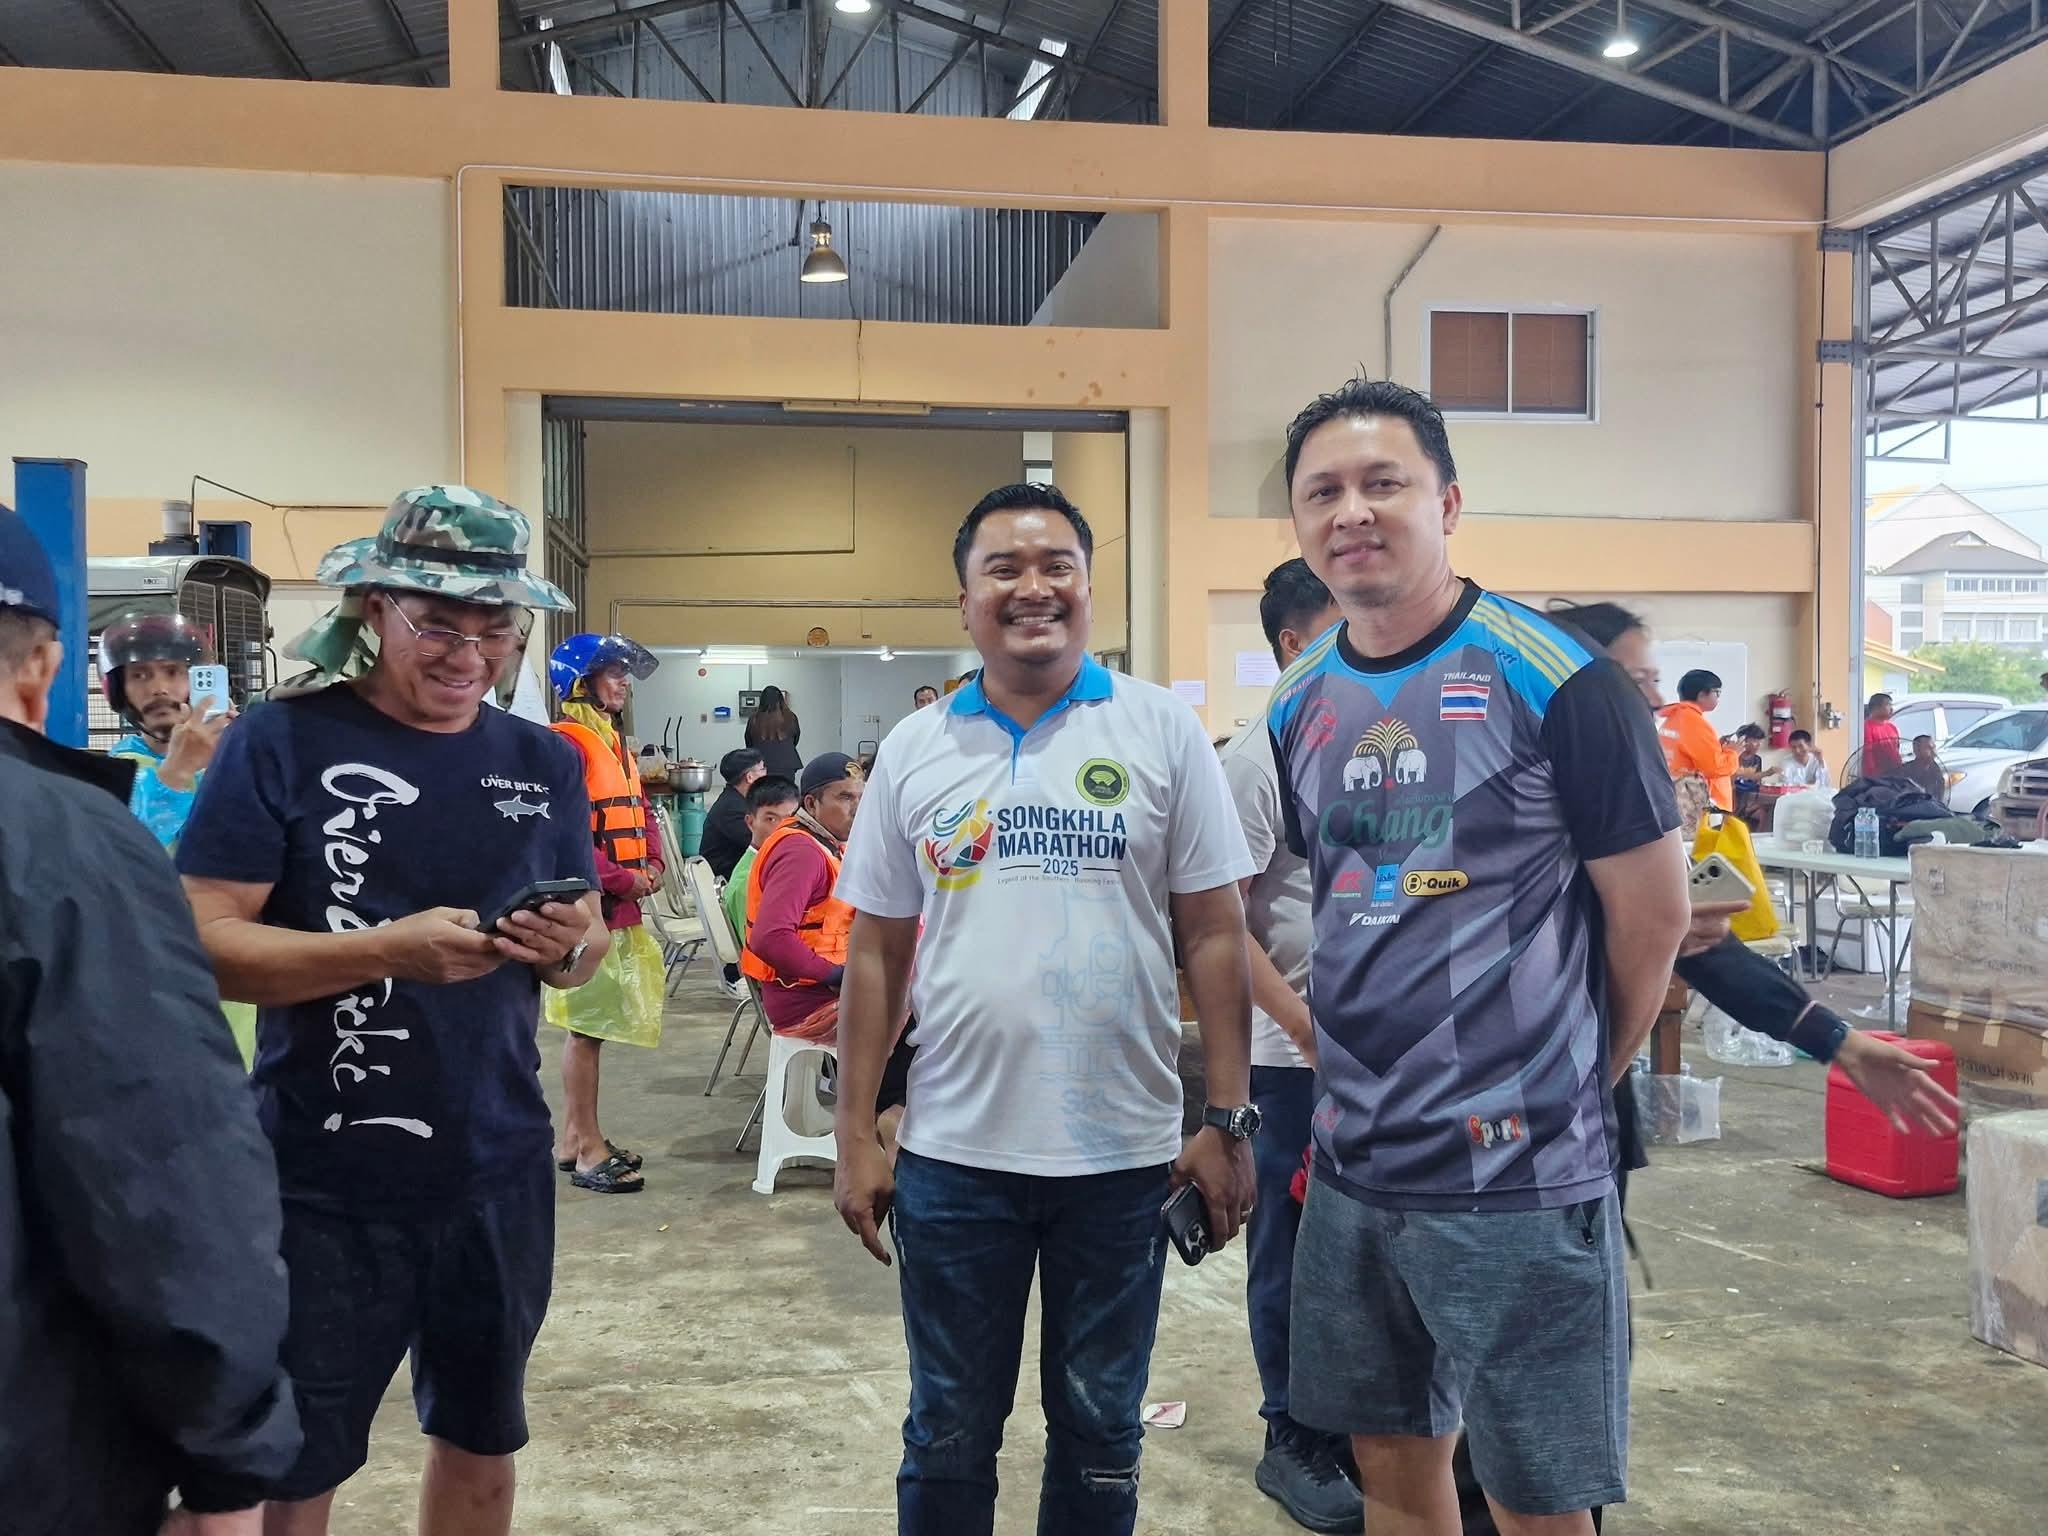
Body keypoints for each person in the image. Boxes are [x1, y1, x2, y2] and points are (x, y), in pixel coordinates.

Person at [1269, 380, 1691, 1535]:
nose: (1352, 511)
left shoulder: (1556, 679)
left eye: (1383, 483)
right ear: (1298, 523)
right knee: (1390, 1469)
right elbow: (1345, 900)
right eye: (1322, 492)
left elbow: (1651, 919)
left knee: (1536, 1497)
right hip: (1353, 1168)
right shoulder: (1297, 700)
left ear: (1446, 502)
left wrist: (1571, 1083)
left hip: (1515, 1178)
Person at [175, 486, 610, 1536]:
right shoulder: (282, 741)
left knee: (482, 1442)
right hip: (323, 1180)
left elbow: (586, 941)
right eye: (440, 627)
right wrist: (382, 952)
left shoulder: (542, 761)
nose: (469, 656)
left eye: (495, 631)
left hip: (495, 1166)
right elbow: (200, 939)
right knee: (298, 1462)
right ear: (376, 608)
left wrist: (565, 949)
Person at [830, 482, 1259, 1536]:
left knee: (1101, 1430)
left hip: (1120, 1159)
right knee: (946, 1429)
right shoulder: (916, 749)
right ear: (963, 600)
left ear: (1088, 586)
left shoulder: (1159, 730)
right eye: (1004, 568)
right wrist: (852, 1135)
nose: (1034, 587)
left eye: (1057, 564)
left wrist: (1225, 1119)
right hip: (952, 1158)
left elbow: (1213, 934)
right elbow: (876, 950)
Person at [0, 506, 300, 1536]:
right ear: (52, 672)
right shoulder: (72, 821)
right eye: (144, 678)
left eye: (176, 673)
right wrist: (230, 1454)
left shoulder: (247, 758)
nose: (164, 693)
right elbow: (150, 1167)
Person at [1218, 558, 1359, 1533]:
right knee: (1291, 1254)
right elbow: (1218, 927)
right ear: (1292, 644)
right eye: (1344, 631)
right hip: (1290, 1060)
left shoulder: (1384, 741)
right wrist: (1306, 1030)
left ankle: (1365, 1427)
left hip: (1386, 1060)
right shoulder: (1257, 757)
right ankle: (1293, 1437)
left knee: (1370, 1256)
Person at [547, 631, 667, 1195]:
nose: (623, 682)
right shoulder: (566, 745)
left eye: (624, 673)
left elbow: (639, 809)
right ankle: (589, 1149)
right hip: (588, 909)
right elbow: (566, 835)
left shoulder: (612, 742)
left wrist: (653, 862)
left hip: (618, 905)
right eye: (612, 672)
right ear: (580, 683)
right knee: (586, 1029)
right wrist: (624, 878)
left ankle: (573, 1139)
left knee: (592, 1028)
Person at [101, 610, 233, 849]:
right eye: (139, 675)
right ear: (119, 691)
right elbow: (123, 851)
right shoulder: (118, 771)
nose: (159, 688)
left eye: (172, 672)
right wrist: (179, 769)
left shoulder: (233, 753)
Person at [721, 772, 799, 947]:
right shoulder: (748, 883)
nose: (782, 829)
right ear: (750, 822)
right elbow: (758, 949)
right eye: (771, 819)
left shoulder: (778, 865)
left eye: (791, 820)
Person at [1657, 668, 1743, 812]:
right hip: (1699, 804)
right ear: (1702, 694)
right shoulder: (1694, 723)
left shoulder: (1673, 718)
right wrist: (1733, 752)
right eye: (1717, 692)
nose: (1718, 698)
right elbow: (1714, 768)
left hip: (1678, 797)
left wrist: (1719, 748)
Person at [700, 747, 766, 880]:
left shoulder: (737, 799)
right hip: (725, 880)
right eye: (762, 769)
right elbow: (761, 844)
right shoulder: (732, 809)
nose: (766, 774)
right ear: (750, 777)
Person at [745, 683, 803, 779]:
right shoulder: (790, 717)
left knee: (762, 788)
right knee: (785, 788)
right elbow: (795, 739)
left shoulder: (754, 719)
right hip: (786, 764)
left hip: (761, 765)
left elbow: (749, 743)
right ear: (781, 700)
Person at [1863, 693, 1904, 777]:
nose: (1891, 709)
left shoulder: (1892, 727)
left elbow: (1897, 750)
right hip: (1877, 777)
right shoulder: (1866, 727)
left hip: (1895, 774)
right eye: (1888, 705)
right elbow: (1868, 754)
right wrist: (1872, 776)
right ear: (1876, 707)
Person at [1902, 733, 1949, 802]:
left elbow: (1939, 797)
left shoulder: (1936, 770)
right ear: (1917, 750)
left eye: (1934, 747)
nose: (1933, 751)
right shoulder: (1905, 771)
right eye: (1929, 748)